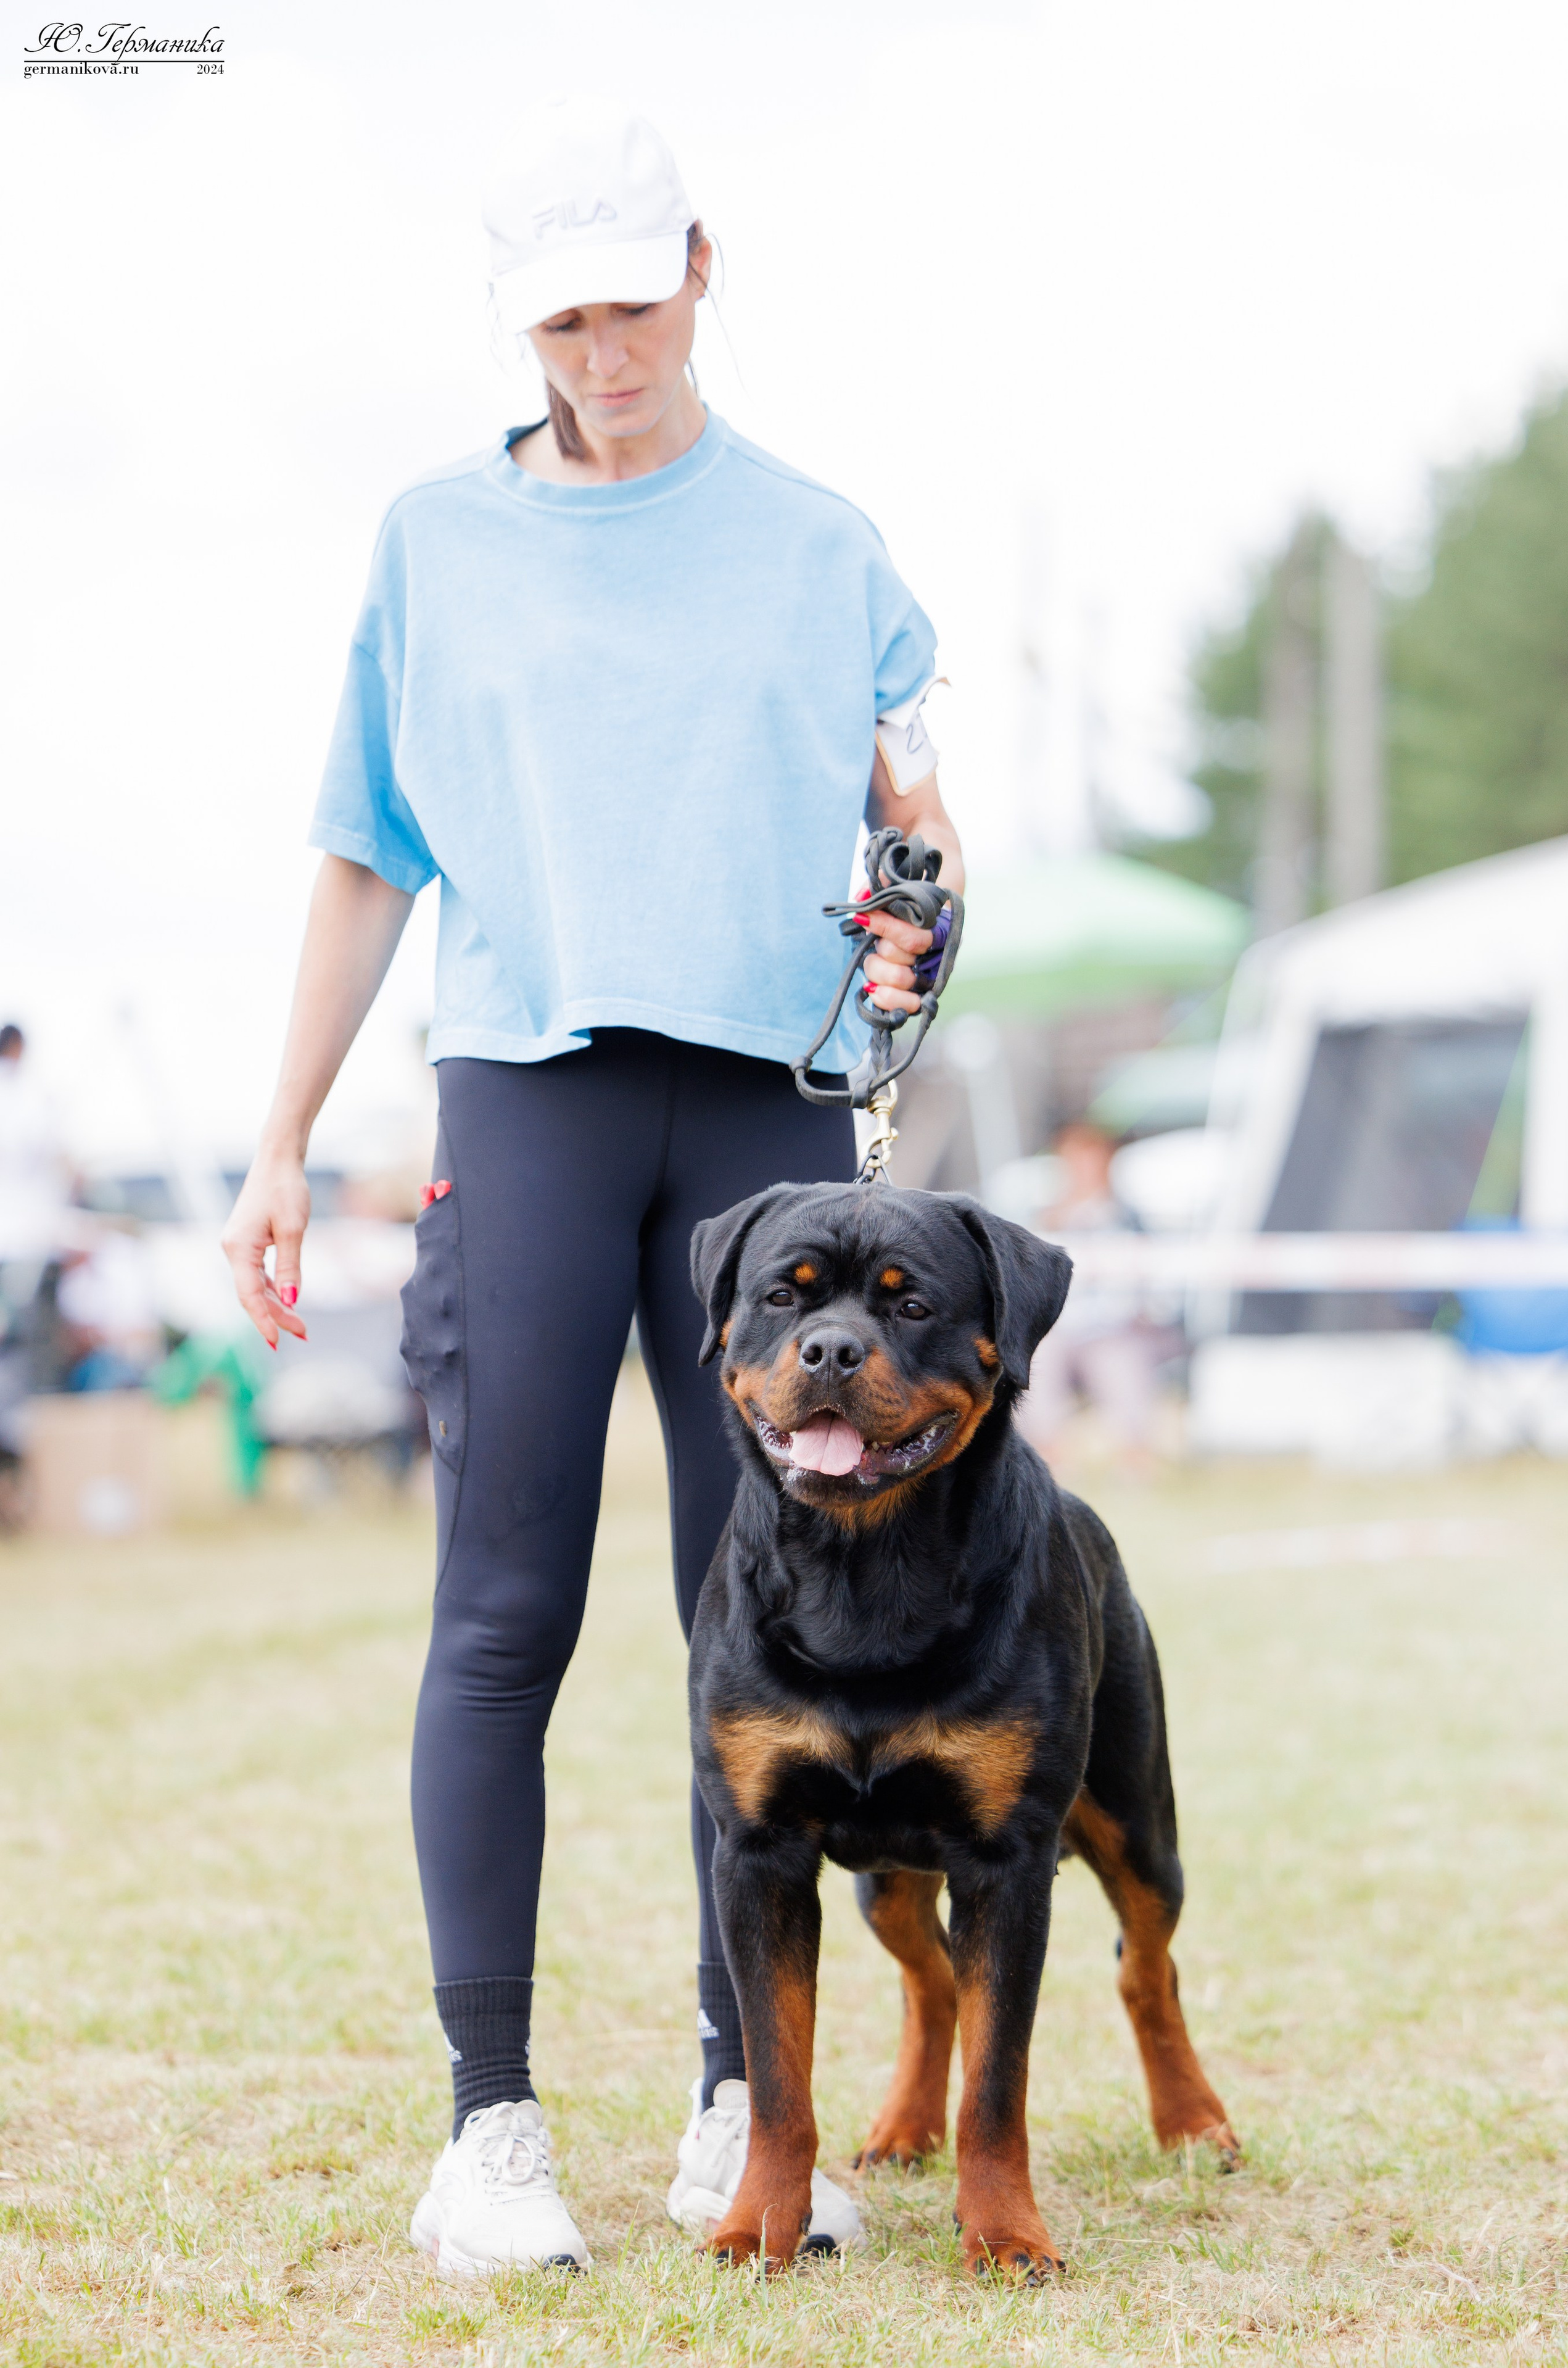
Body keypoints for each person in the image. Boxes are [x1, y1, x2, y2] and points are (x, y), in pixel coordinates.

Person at [221, 101, 963, 2277]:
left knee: (772, 1629)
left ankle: (751, 2100)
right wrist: (278, 1138)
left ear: (700, 272)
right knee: (503, 1603)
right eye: (561, 319)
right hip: (527, 1094)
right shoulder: (433, 541)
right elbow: (369, 854)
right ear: (518, 321)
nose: (603, 352)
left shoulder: (823, 545)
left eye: (632, 307)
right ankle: (492, 2122)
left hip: (766, 1120)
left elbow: (914, 829)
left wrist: (921, 915)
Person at [1020, 1122, 1159, 1475]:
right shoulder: (1043, 1216)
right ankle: (1049, 1459)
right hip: (1058, 1328)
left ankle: (1134, 1458)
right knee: (1036, 1364)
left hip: (1112, 1327)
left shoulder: (1129, 1216)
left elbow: (1150, 1278)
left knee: (1124, 1362)